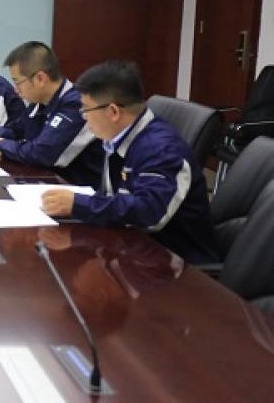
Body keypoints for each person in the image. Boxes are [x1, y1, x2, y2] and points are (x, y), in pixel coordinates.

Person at [40, 60, 218, 264]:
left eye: (86, 109)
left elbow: (150, 213)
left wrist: (78, 204)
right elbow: (111, 196)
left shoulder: (160, 149)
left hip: (175, 264)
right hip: (132, 250)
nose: (84, 118)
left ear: (113, 112)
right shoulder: (118, 136)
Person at [0, 41, 102, 187]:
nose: (15, 89)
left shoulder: (75, 104)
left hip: (77, 188)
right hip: (45, 181)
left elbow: (41, 153)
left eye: (18, 82)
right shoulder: (39, 102)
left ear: (40, 79)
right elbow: (17, 129)